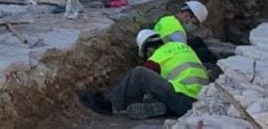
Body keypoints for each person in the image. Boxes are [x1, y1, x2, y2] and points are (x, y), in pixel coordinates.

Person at [78, 30, 209, 119]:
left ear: (149, 49)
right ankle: (165, 108)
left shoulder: (158, 55)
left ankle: (109, 104)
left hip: (183, 97)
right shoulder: (183, 47)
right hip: (203, 100)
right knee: (166, 89)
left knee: (139, 73)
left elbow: (140, 81)